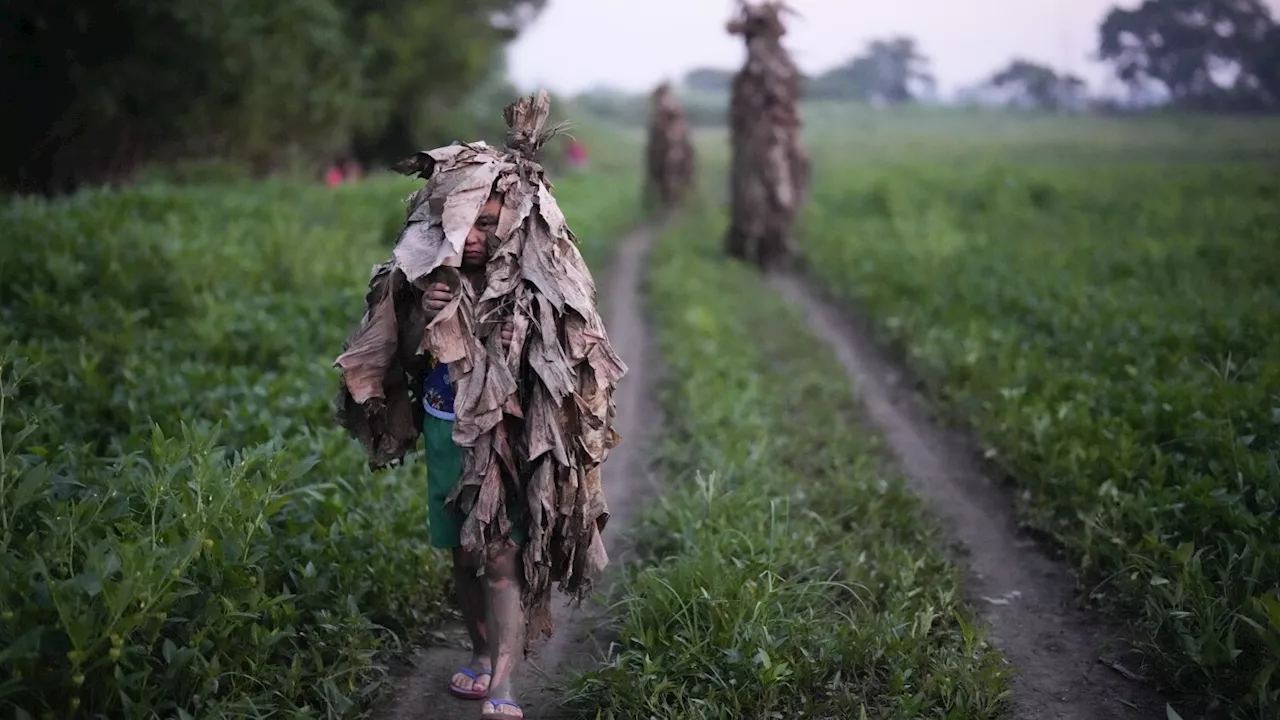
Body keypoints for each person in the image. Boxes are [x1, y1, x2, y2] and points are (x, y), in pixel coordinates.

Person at [420, 188, 524, 720]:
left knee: (500, 558)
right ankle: (480, 652)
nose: (475, 238)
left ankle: (503, 685)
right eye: (466, 225)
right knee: (463, 556)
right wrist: (426, 315)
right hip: (444, 429)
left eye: (488, 223)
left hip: (502, 435)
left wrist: (521, 336)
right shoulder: (430, 277)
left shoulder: (531, 281)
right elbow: (393, 349)